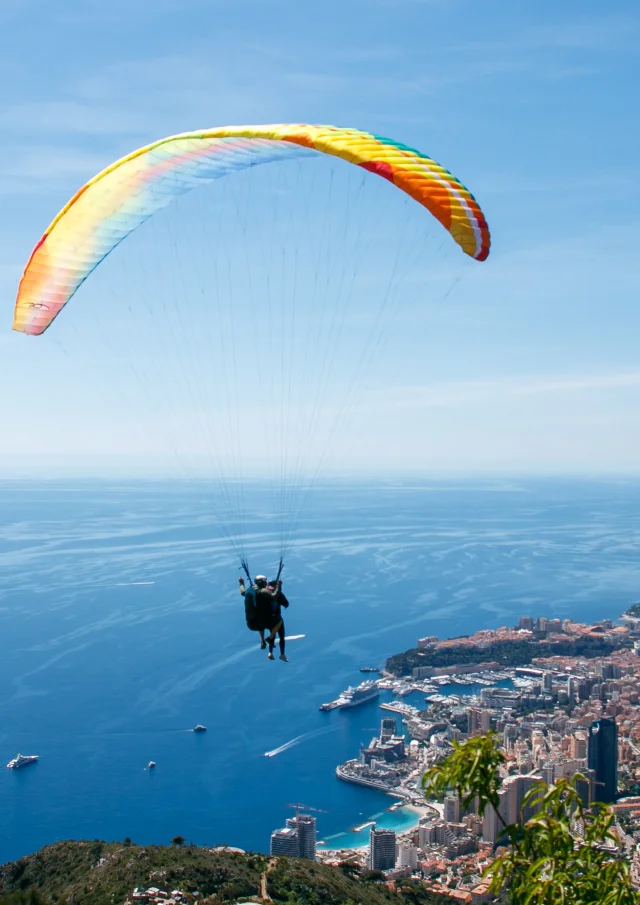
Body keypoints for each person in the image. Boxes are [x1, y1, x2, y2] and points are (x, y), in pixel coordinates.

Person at [239, 575, 282, 659]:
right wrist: (279, 586)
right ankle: (270, 638)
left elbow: (242, 592)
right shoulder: (263, 591)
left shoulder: (249, 590)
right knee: (278, 621)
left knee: (260, 617)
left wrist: (241, 583)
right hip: (261, 622)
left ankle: (262, 641)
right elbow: (274, 597)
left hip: (251, 624)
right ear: (263, 582)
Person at [267, 578, 290, 662]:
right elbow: (286, 604)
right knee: (281, 636)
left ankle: (270, 652)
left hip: (268, 619)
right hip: (277, 618)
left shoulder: (265, 593)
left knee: (272, 635)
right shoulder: (278, 594)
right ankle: (282, 654)